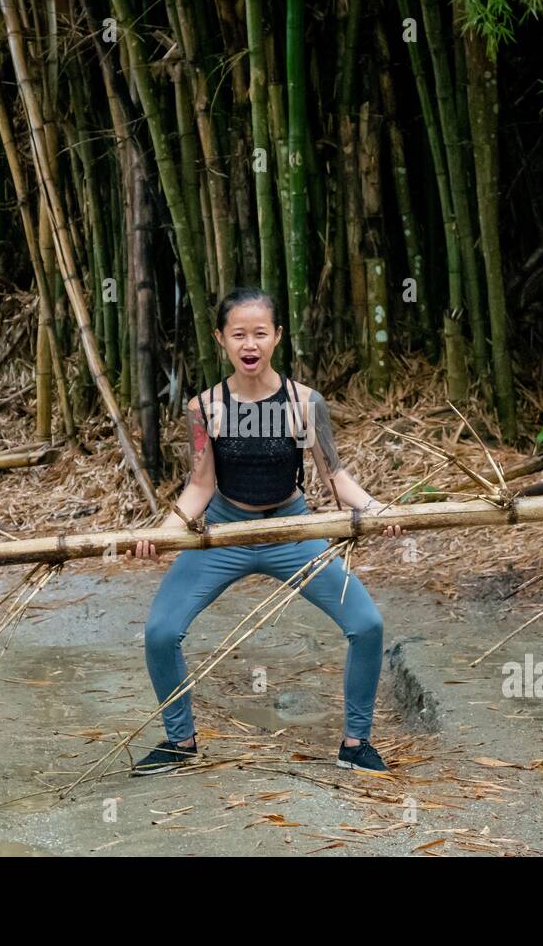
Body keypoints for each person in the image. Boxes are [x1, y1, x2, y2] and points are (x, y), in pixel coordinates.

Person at [125, 287, 402, 776]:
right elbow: (199, 484)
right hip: (225, 532)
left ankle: (356, 744)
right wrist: (164, 533)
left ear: (276, 337)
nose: (249, 343)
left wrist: (376, 509)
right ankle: (180, 740)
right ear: (221, 340)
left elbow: (334, 475)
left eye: (259, 333)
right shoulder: (203, 408)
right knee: (161, 631)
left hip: (293, 529)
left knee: (368, 625)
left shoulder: (304, 403)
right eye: (238, 334)